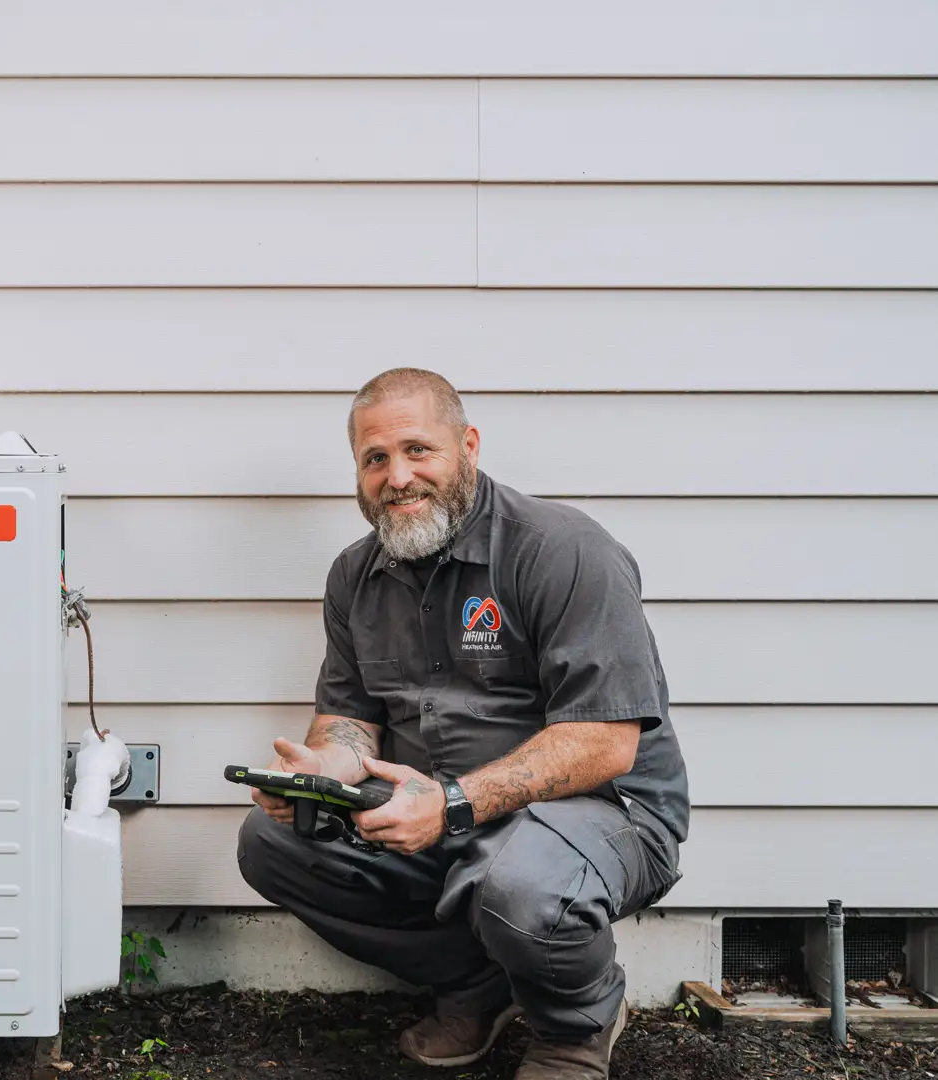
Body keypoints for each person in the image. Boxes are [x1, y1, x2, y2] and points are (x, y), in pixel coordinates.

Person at [236, 368, 690, 1080]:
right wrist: (322, 772)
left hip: (597, 813)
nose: (397, 476)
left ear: (468, 446)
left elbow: (604, 741)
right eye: (374, 459)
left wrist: (450, 804)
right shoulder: (354, 577)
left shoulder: (562, 550)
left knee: (521, 886)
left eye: (419, 450)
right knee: (273, 843)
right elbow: (350, 719)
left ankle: (578, 1024)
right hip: (440, 812)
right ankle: (480, 989)